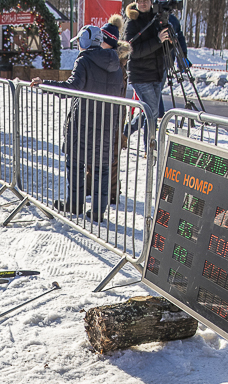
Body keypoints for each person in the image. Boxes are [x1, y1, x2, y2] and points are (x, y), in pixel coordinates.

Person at [32, 24, 123, 221]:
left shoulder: (84, 60)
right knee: (102, 168)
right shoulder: (116, 65)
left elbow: (72, 86)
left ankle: (75, 203)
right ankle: (98, 211)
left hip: (83, 124)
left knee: (74, 163)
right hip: (106, 125)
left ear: (85, 40)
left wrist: (44, 84)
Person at [122, 0, 171, 143]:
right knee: (153, 112)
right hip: (140, 74)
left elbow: (163, 47)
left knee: (150, 111)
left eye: (146, 0)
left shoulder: (157, 18)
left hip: (157, 72)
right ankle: (149, 147)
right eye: (140, 1)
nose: (143, 3)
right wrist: (157, 40)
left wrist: (169, 42)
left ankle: (127, 131)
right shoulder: (132, 22)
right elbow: (133, 51)